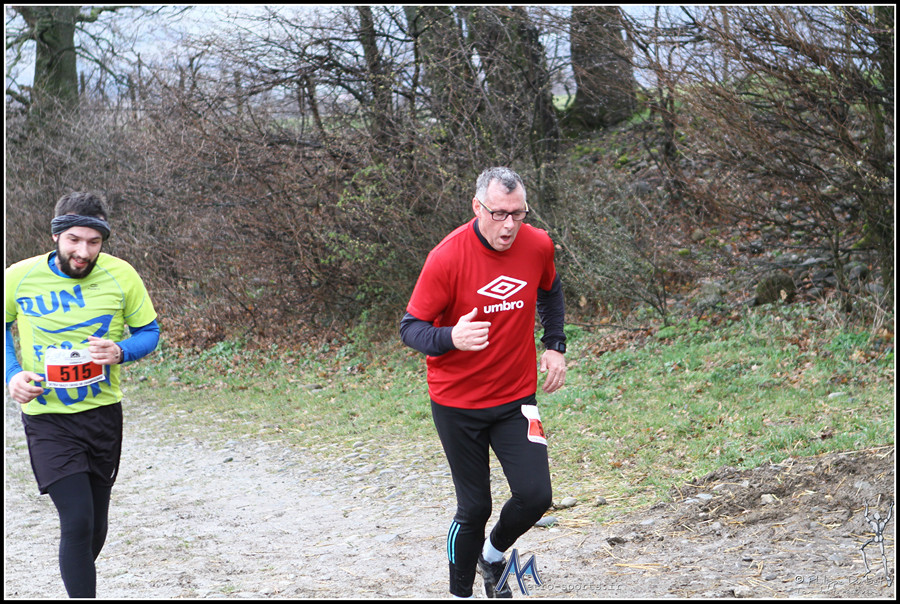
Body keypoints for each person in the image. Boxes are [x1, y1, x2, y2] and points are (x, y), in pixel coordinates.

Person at [400, 167, 566, 598]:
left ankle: (492, 556)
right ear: (477, 207)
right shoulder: (446, 257)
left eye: (518, 213)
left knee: (536, 495)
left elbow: (550, 290)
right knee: (474, 508)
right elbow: (410, 328)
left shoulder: (538, 244)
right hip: (458, 404)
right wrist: (450, 338)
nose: (509, 225)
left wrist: (555, 344)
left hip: (515, 399)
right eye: (499, 214)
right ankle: (461, 594)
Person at [5, 191, 160, 598]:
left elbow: (149, 332)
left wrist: (121, 351)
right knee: (76, 522)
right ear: (56, 236)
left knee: (95, 528)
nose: (83, 251)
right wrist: (12, 374)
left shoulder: (121, 275)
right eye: (74, 239)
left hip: (102, 415)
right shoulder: (19, 277)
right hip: (48, 418)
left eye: (94, 242)